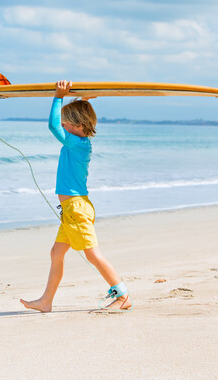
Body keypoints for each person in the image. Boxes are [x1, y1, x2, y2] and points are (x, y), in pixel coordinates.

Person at [20, 80, 132, 312]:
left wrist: (58, 97)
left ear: (78, 125)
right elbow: (68, 122)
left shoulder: (76, 144)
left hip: (76, 208)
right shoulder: (80, 142)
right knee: (56, 253)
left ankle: (123, 295)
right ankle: (46, 301)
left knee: (92, 254)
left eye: (65, 122)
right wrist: (82, 100)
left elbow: (52, 127)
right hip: (72, 209)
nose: (62, 125)